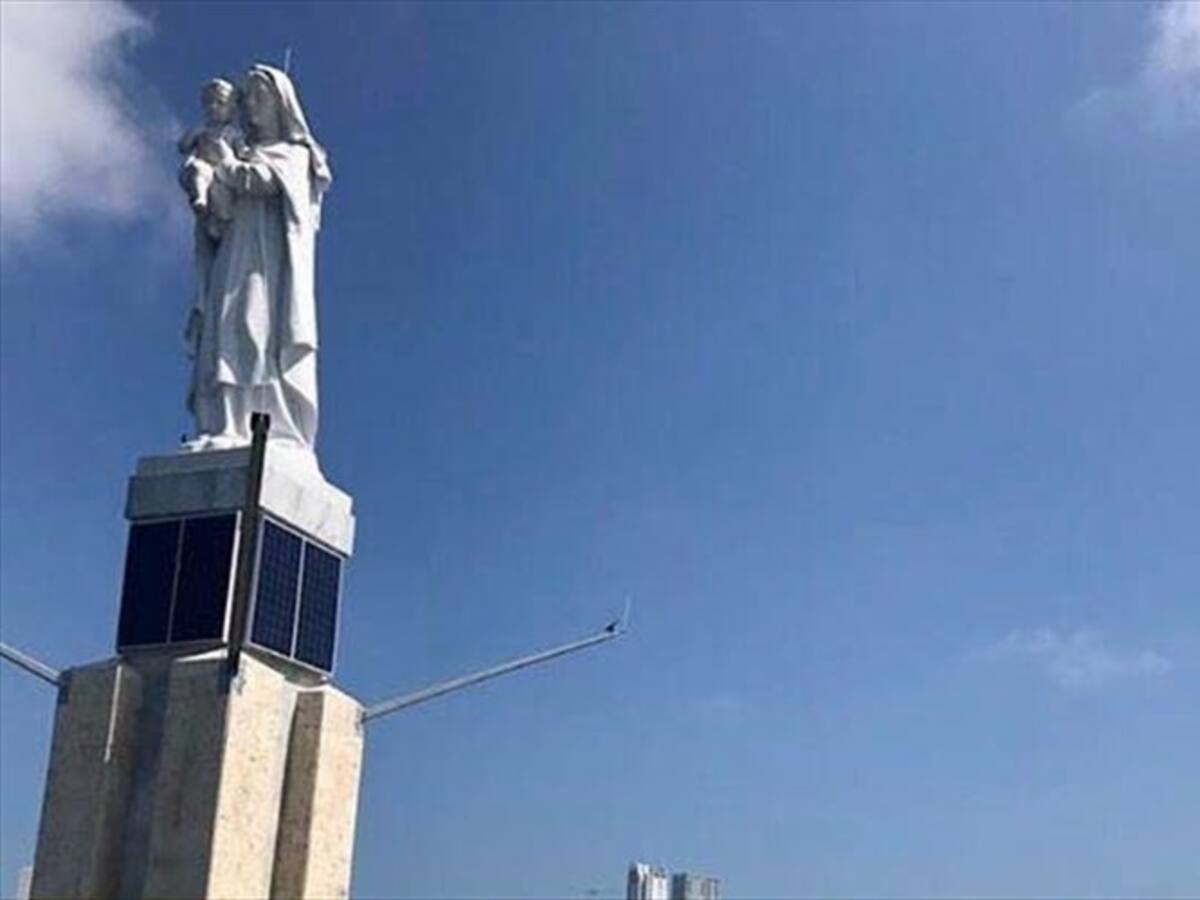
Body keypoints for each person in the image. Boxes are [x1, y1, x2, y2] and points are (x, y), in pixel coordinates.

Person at [183, 64, 332, 454]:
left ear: (281, 105)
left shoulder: (294, 154)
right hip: (234, 254)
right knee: (223, 331)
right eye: (246, 97)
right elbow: (220, 214)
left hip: (267, 267)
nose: (250, 106)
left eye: (259, 96)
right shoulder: (239, 150)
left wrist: (227, 166)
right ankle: (224, 423)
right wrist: (207, 193)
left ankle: (262, 425)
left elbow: (264, 183)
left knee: (254, 329)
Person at [177, 78, 245, 242]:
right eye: (209, 103)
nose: (214, 107)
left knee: (222, 202)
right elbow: (183, 146)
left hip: (224, 174)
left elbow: (243, 152)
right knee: (198, 170)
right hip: (204, 168)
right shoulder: (202, 131)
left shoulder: (233, 134)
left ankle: (218, 222)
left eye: (220, 103)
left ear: (232, 109)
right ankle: (201, 198)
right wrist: (193, 135)